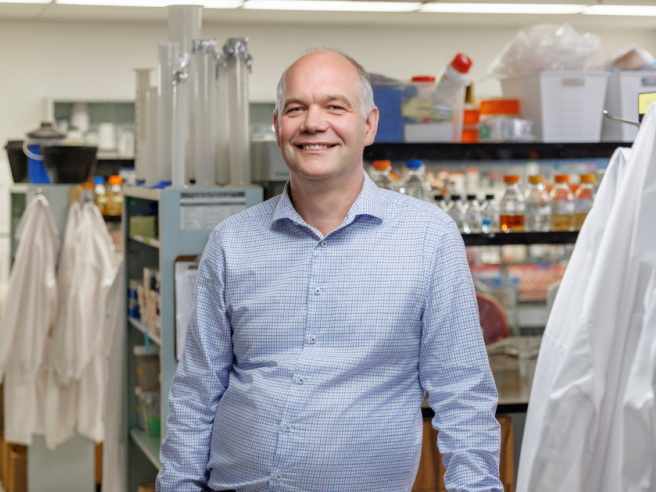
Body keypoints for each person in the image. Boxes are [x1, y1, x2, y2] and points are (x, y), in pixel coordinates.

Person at [156, 47, 503, 492]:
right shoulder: (232, 241)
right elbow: (197, 390)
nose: (313, 124)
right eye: (296, 108)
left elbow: (463, 395)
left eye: (335, 107)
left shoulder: (428, 239)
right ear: (279, 126)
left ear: (369, 124)